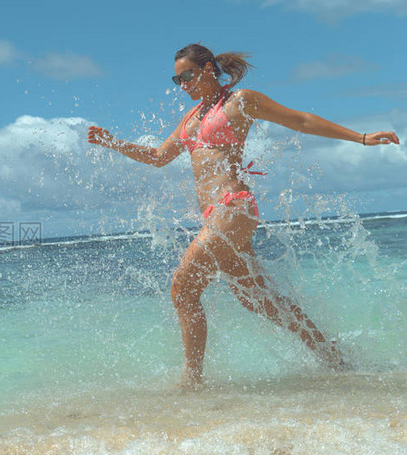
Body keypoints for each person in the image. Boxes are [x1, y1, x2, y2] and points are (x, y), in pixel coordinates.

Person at [87, 44, 400, 388]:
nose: (183, 84)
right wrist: (113, 142)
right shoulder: (191, 119)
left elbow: (299, 119)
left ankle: (192, 381)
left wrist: (362, 137)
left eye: (187, 75)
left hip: (233, 206)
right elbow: (159, 156)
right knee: (260, 300)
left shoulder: (239, 102)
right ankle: (334, 358)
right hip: (214, 216)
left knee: (183, 287)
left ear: (208, 69)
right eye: (177, 80)